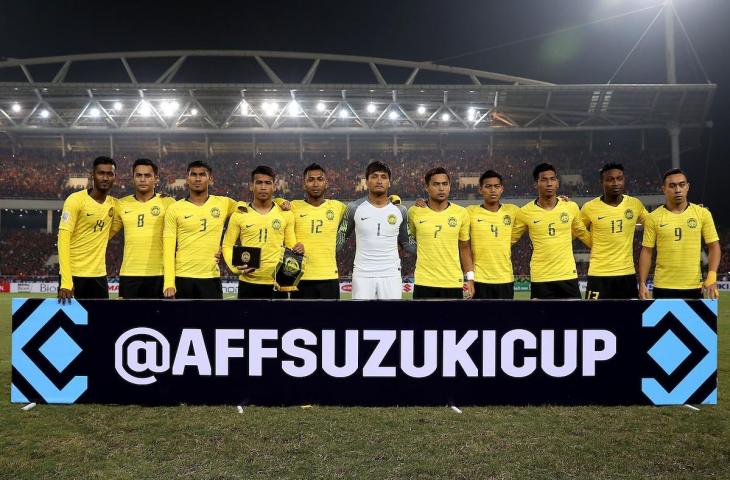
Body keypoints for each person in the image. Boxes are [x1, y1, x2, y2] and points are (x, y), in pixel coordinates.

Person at [512, 162, 591, 299]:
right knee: (542, 320)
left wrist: (607, 248)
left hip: (568, 275)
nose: (549, 183)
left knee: (574, 319)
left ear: (558, 183)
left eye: (552, 179)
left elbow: (583, 234)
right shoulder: (525, 212)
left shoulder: (570, 207)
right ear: (536, 184)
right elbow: (509, 240)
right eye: (544, 180)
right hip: (541, 277)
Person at [222, 165, 303, 299]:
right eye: (259, 182)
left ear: (274, 186)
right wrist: (235, 268)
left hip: (277, 283)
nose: (263, 187)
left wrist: (298, 250)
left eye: (268, 183)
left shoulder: (285, 214)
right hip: (248, 283)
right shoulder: (239, 214)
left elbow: (291, 248)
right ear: (251, 186)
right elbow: (227, 245)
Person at [638, 168, 721, 299]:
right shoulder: (653, 217)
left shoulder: (702, 214)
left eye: (682, 185)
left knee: (694, 320)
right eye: (672, 186)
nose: (678, 190)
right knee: (660, 320)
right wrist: (642, 283)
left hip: (694, 287)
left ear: (687, 187)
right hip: (662, 287)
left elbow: (714, 246)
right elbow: (647, 251)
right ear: (663, 189)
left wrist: (712, 274)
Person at [337, 161, 414, 299]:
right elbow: (341, 238)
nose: (379, 180)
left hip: (391, 274)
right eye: (374, 176)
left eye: (383, 177)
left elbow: (408, 243)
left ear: (389, 182)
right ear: (366, 182)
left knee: (391, 319)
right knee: (361, 319)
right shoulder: (354, 208)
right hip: (362, 274)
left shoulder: (400, 211)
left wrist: (432, 250)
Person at [162, 160, 237, 299]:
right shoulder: (174, 208)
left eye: (202, 174)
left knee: (213, 321)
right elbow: (168, 249)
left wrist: (280, 202)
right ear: (187, 179)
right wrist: (169, 283)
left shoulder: (224, 203)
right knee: (182, 321)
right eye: (193, 174)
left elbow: (250, 209)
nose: (197, 178)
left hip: (211, 277)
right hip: (182, 277)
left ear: (210, 179)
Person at [581, 163, 647, 299]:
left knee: (629, 319)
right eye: (610, 179)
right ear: (602, 182)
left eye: (619, 178)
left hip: (627, 275)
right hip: (598, 276)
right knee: (593, 318)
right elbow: (575, 229)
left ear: (624, 180)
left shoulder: (635, 204)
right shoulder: (589, 208)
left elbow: (655, 223)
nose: (615, 183)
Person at [111, 159, 175, 298]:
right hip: (129, 274)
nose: (143, 179)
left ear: (156, 178)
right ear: (133, 178)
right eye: (138, 175)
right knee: (130, 319)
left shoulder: (168, 203)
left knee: (158, 319)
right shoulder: (121, 204)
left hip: (159, 274)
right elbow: (104, 234)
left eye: (147, 175)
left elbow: (184, 233)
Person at [57, 156, 117, 303]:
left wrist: (161, 197)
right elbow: (63, 240)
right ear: (92, 175)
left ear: (114, 177)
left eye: (109, 174)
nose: (105, 178)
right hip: (74, 275)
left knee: (101, 324)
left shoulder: (115, 205)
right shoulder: (75, 200)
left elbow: (137, 205)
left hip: (99, 276)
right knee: (70, 324)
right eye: (101, 173)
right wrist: (66, 281)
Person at [283, 163, 346, 299]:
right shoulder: (293, 206)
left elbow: (360, 209)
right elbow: (272, 206)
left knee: (331, 320)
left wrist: (393, 200)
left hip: (329, 277)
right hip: (299, 277)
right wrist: (280, 201)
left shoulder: (337, 207)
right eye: (310, 180)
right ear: (304, 184)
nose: (315, 184)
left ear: (326, 183)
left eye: (319, 179)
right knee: (301, 320)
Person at [407, 167, 472, 299]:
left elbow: (465, 248)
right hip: (424, 281)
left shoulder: (461, 213)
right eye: (436, 184)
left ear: (450, 186)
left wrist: (470, 278)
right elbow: (409, 241)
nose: (441, 188)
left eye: (445, 184)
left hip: (452, 282)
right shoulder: (414, 212)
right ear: (427, 187)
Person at [466, 170, 520, 299]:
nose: (493, 190)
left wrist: (559, 200)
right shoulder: (470, 212)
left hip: (505, 279)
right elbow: (448, 212)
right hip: (480, 280)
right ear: (480, 189)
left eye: (496, 186)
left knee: (506, 319)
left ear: (502, 189)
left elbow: (537, 210)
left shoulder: (513, 211)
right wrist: (425, 204)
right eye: (488, 186)